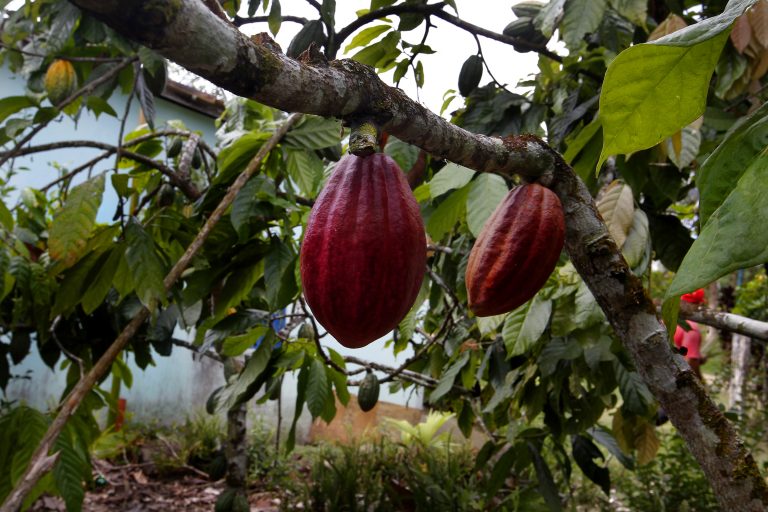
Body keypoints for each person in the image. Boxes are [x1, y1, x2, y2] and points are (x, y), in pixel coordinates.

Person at [673, 288, 707, 380]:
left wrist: (698, 357)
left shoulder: (670, 320)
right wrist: (701, 381)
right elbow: (690, 361)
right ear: (697, 305)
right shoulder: (691, 328)